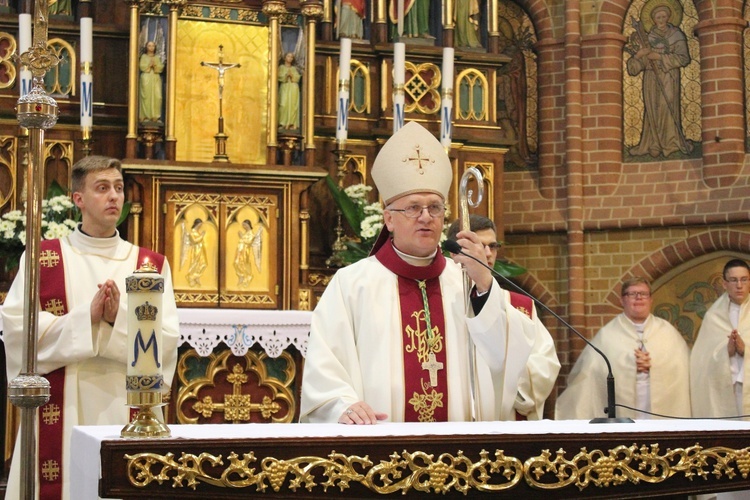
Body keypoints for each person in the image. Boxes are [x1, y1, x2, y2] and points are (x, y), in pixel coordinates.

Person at [299, 121, 534, 424]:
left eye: (435, 207)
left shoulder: (463, 281)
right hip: (379, 451)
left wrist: (485, 284)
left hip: (459, 452)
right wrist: (342, 406)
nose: (426, 217)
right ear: (389, 219)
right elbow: (324, 369)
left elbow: (504, 357)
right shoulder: (352, 285)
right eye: (413, 208)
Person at [1, 155, 180, 499]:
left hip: (123, 402)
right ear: (78, 199)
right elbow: (19, 332)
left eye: (118, 188)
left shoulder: (149, 265)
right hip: (60, 404)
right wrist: (87, 318)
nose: (114, 196)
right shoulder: (44, 258)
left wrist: (114, 319)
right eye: (102, 188)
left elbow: (167, 340)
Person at [446, 215, 560, 420]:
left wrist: (506, 374)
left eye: (493, 246)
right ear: (455, 251)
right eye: (480, 246)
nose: (488, 253)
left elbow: (545, 366)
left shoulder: (520, 305)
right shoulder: (443, 300)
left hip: (504, 421)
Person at [555, 276, 691, 420]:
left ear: (651, 300)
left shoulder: (668, 332)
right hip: (622, 405)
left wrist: (654, 365)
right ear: (622, 300)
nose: (639, 298)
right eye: (632, 294)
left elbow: (683, 368)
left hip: (664, 405)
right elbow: (590, 372)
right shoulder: (607, 334)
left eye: (643, 294)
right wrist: (629, 365)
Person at [626, 0, 692, 158]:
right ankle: (653, 144)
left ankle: (670, 142)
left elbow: (684, 58)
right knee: (652, 109)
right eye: (658, 17)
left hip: (668, 77)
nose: (661, 20)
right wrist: (639, 55)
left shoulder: (676, 35)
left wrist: (660, 57)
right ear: (653, 19)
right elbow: (634, 69)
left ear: (669, 17)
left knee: (665, 106)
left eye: (664, 16)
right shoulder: (647, 38)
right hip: (651, 78)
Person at [690, 259, 750, 418]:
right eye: (733, 280)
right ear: (724, 284)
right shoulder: (713, 317)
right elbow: (702, 361)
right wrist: (727, 351)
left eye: (744, 279)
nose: (739, 285)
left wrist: (746, 350)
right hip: (728, 388)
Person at [138, 40, 165, 124]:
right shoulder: (144, 57)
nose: (151, 47)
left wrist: (155, 65)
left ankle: (155, 116)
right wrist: (149, 65)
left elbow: (161, 67)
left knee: (158, 97)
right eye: (149, 46)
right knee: (146, 96)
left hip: (155, 78)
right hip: (146, 78)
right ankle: (145, 116)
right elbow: (141, 66)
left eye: (153, 46)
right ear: (146, 47)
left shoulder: (156, 57)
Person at [234, 219, 262, 287]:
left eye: (245, 225)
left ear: (248, 225)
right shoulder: (246, 233)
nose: (244, 226)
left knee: (244, 264)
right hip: (240, 250)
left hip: (245, 251)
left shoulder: (251, 233)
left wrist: (241, 236)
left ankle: (247, 277)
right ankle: (241, 276)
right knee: (236, 262)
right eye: (243, 225)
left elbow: (249, 242)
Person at [278, 52, 301, 130]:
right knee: (283, 104)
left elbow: (297, 77)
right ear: (285, 57)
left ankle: (292, 123)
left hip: (293, 88)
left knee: (293, 105)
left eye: (291, 57)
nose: (290, 58)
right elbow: (279, 76)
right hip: (285, 87)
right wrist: (285, 75)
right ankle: (282, 123)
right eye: (288, 56)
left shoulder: (293, 68)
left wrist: (292, 76)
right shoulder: (281, 67)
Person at [182, 217, 208, 287]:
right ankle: (190, 277)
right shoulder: (192, 232)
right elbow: (194, 241)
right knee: (195, 264)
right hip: (196, 250)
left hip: (201, 250)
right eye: (200, 225)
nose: (200, 226)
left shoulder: (197, 232)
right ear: (197, 224)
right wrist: (202, 236)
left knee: (203, 264)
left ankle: (196, 276)